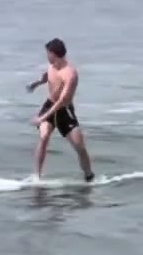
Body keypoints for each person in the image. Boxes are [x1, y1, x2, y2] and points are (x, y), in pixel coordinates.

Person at [26, 38, 94, 182]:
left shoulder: (70, 74)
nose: (47, 56)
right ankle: (37, 178)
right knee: (43, 137)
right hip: (49, 104)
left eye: (48, 53)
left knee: (79, 147)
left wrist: (42, 118)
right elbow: (48, 77)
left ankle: (89, 176)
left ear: (54, 54)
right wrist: (37, 83)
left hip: (64, 110)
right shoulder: (52, 66)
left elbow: (62, 101)